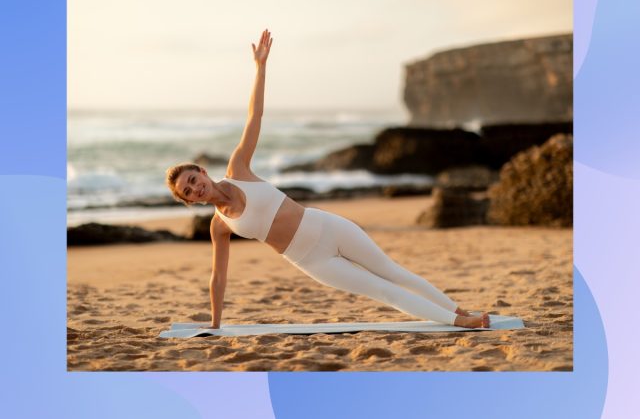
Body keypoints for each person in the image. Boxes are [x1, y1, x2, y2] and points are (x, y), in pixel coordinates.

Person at [165, 29, 490, 330]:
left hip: (326, 226)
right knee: (382, 291)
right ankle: (459, 323)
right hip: (312, 260)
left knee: (393, 273)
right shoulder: (219, 226)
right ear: (190, 201)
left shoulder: (239, 169)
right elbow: (218, 277)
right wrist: (215, 324)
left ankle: (459, 312)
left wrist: (260, 68)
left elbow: (255, 116)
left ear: (202, 171)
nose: (195, 188)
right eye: (188, 191)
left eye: (193, 179)